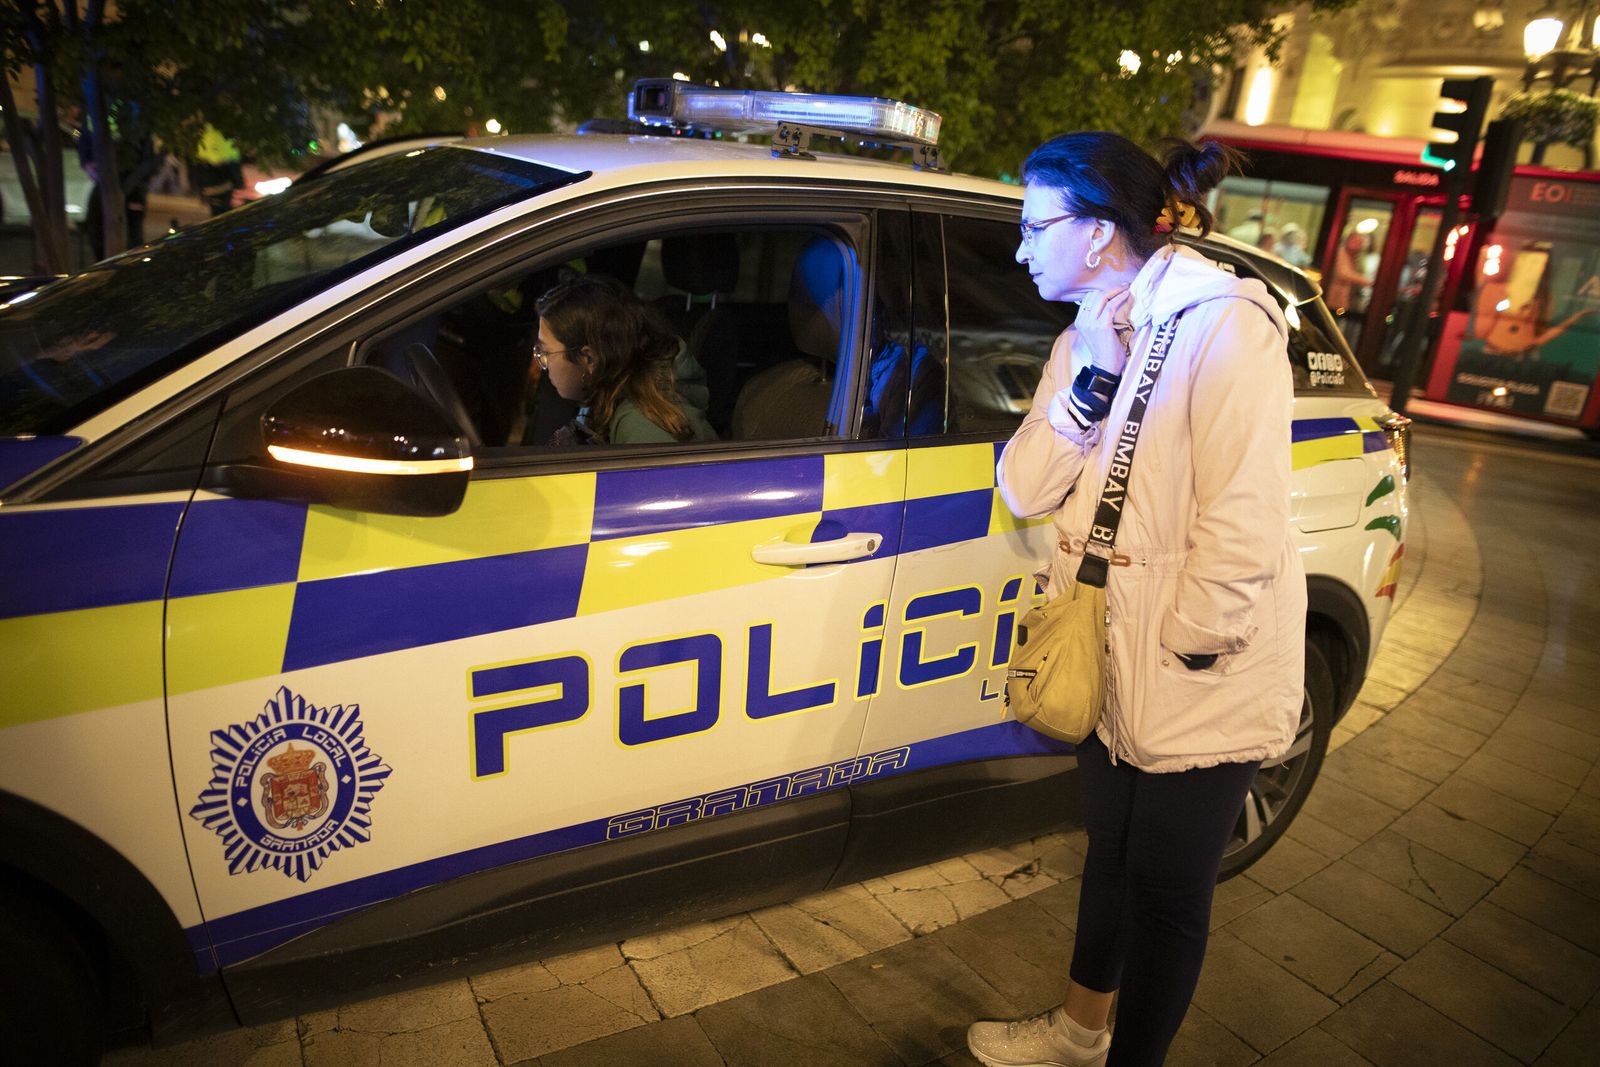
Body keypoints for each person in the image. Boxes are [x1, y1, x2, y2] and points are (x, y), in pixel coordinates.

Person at [968, 132, 1306, 1067]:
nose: (1023, 247)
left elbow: (1243, 516)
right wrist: (1092, 383)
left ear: (1099, 231)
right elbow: (1027, 486)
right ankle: (1080, 1033)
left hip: (1203, 660)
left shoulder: (1225, 322)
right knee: (1110, 856)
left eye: (1036, 226)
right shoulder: (1087, 330)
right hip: (1112, 640)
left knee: (1168, 888)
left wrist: (1190, 649)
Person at [528, 272, 716, 445]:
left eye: (546, 353)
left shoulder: (645, 429)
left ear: (589, 358)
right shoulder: (609, 400)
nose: (542, 364)